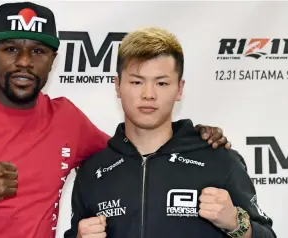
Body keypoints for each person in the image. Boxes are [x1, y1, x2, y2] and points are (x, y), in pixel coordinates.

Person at [0, 2, 231, 238]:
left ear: (53, 60)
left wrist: (193, 135)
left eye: (37, 52)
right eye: (11, 49)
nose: (24, 62)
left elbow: (133, 146)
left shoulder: (66, 119)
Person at [64, 27, 276, 238]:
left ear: (179, 89)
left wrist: (236, 224)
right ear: (118, 86)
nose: (149, 94)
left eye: (162, 83)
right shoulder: (92, 171)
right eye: (137, 82)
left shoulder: (219, 160)